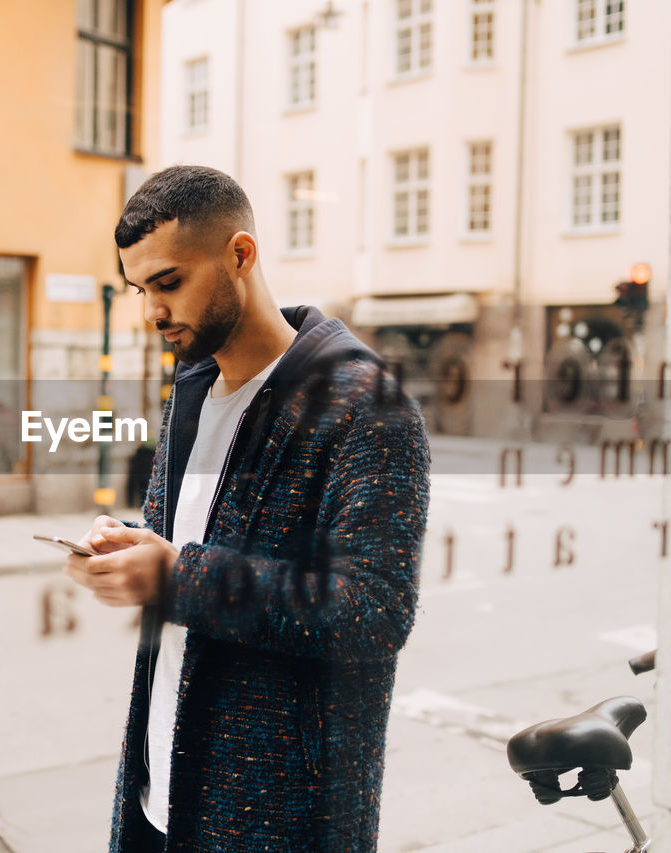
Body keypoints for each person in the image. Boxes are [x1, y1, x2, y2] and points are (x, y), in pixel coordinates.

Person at [64, 165, 430, 853]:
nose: (152, 312)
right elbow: (201, 543)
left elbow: (376, 610)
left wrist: (178, 577)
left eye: (168, 282)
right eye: (140, 289)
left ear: (240, 254)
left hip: (281, 823)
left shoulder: (365, 405)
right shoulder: (194, 389)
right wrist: (134, 548)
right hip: (159, 800)